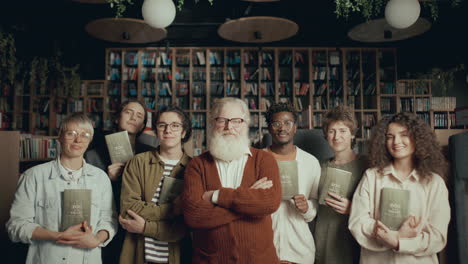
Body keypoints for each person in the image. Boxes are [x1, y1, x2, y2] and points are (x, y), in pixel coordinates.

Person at [6, 113, 117, 264]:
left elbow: (109, 219)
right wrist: (56, 236)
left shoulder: (101, 178)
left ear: (90, 141)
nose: (78, 140)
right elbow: (16, 226)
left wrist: (97, 239)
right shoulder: (33, 176)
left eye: (85, 135)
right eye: (71, 133)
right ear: (60, 137)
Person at [182, 97, 281, 264]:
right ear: (213, 124)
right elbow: (194, 216)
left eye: (236, 121)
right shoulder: (197, 165)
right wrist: (250, 203)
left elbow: (270, 203)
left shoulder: (264, 160)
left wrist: (217, 196)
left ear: (246, 124)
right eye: (222, 120)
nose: (229, 127)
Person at [349, 112, 450, 264]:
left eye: (404, 135)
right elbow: (357, 222)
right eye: (390, 136)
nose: (396, 141)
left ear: (417, 138)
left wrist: (397, 242)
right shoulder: (371, 177)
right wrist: (388, 236)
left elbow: (437, 237)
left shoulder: (435, 183)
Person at [119, 105, 192, 264]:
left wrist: (145, 227)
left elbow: (186, 226)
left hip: (178, 255)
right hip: (138, 253)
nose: (168, 130)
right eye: (162, 125)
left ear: (184, 132)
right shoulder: (138, 162)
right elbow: (128, 209)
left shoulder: (194, 168)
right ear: (156, 131)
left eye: (175, 125)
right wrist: (172, 209)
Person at [85, 99, 155, 264]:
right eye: (128, 112)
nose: (133, 118)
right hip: (106, 221)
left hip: (138, 220)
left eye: (139, 116)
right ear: (117, 117)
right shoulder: (94, 152)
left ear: (142, 125)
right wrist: (107, 179)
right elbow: (86, 193)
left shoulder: (149, 153)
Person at [265, 103, 321, 264]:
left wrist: (306, 207)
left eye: (288, 122)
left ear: (295, 127)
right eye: (276, 123)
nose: (282, 128)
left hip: (300, 249)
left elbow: (315, 207)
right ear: (269, 128)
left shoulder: (310, 162)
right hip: (265, 248)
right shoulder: (257, 160)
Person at [314, 106, 368, 264]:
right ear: (326, 135)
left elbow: (378, 209)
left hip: (352, 241)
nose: (337, 136)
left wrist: (354, 209)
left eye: (343, 130)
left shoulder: (367, 165)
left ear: (352, 134)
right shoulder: (319, 166)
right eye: (332, 131)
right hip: (322, 239)